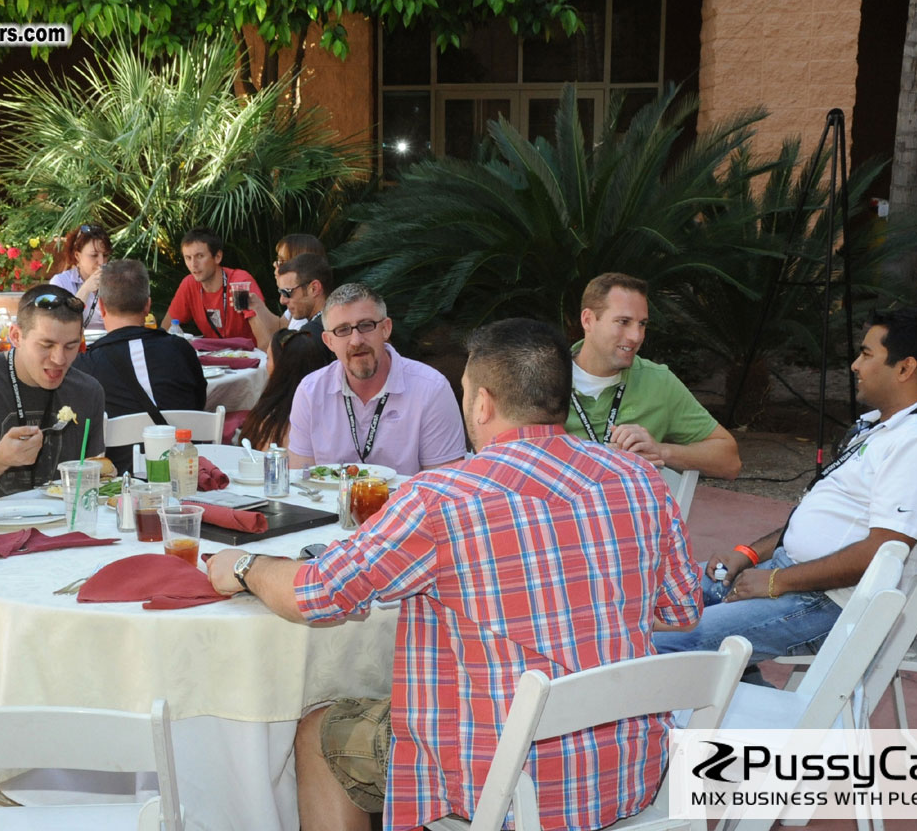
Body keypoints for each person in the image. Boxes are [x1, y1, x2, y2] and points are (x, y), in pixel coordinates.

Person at [207, 319, 701, 831]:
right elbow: (682, 609)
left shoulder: (441, 497)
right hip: (630, 772)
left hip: (506, 789)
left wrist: (245, 567)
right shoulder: (640, 479)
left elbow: (317, 593)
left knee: (320, 731)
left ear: (482, 403)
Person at [654, 306, 917, 673]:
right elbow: (823, 514)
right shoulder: (882, 428)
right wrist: (750, 554)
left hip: (830, 604)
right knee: (645, 596)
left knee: (653, 645)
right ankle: (748, 714)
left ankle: (729, 715)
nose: (855, 365)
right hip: (793, 578)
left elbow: (882, 552)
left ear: (905, 368)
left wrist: (775, 582)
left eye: (867, 354)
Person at [569, 273, 741, 479]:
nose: (636, 336)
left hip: (629, 508)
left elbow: (730, 461)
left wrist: (660, 451)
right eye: (623, 321)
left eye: (642, 324)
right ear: (588, 320)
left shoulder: (658, 381)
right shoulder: (542, 375)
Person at [287, 282, 466, 476]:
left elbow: (443, 487)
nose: (356, 341)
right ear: (329, 341)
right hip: (327, 506)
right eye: (343, 330)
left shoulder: (431, 390)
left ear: (386, 329)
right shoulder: (310, 392)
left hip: (406, 506)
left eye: (366, 326)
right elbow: (301, 484)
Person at [0, 284, 106, 506]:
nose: (59, 359)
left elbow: (94, 489)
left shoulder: (88, 391)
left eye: (71, 346)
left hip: (62, 532)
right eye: (46, 345)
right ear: (16, 336)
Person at [73, 259, 207, 472]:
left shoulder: (86, 365)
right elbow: (199, 403)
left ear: (102, 307)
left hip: (122, 481)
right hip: (188, 474)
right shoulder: (181, 349)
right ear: (148, 305)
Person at [239, 328, 331, 451]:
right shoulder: (331, 409)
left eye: (268, 358)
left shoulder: (271, 422)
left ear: (280, 368)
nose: (266, 364)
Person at [166, 227, 264, 340]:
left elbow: (264, 337)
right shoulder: (189, 284)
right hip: (212, 355)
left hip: (251, 355)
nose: (193, 264)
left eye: (200, 256)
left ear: (217, 257)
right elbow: (168, 326)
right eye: (188, 258)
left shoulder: (240, 282)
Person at [247, 234, 328, 349]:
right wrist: (256, 305)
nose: (275, 265)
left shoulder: (309, 325)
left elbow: (275, 355)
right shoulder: (299, 302)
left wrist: (251, 316)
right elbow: (280, 326)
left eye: (281, 262)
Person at [49, 223, 112, 330]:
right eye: (94, 255)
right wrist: (86, 289)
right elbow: (60, 323)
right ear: (77, 255)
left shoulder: (114, 280)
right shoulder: (61, 282)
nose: (101, 262)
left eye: (105, 255)